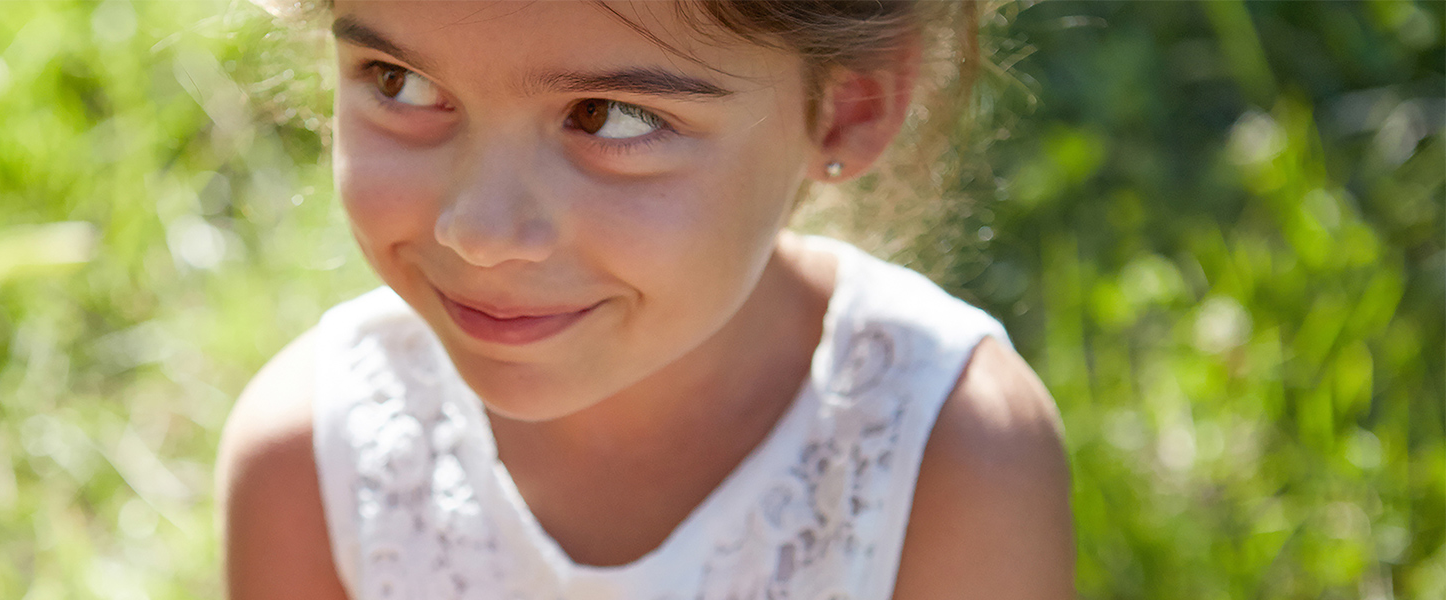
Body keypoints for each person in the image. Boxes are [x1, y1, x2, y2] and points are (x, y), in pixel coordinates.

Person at [216, 1, 1073, 598]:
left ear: (849, 108)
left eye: (611, 116)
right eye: (399, 82)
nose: (478, 231)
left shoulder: (947, 457)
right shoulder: (312, 463)